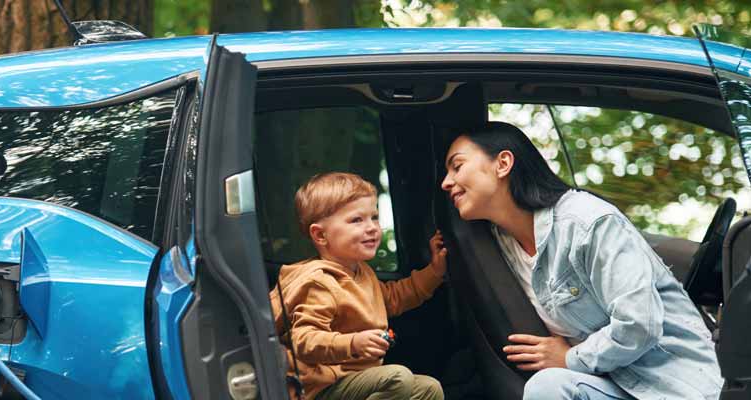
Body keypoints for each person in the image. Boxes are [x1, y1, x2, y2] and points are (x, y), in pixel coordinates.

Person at [439, 122, 722, 400]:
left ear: (503, 164)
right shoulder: (496, 243)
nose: (446, 182)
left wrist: (570, 358)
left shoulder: (588, 222)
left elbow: (640, 324)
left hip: (672, 387)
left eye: (457, 166)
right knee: (548, 386)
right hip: (608, 383)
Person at [270, 172, 447, 400]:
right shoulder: (319, 282)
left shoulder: (362, 272)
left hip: (353, 380)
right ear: (320, 235)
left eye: (374, 217)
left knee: (429, 388)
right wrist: (352, 343)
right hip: (321, 389)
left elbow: (393, 298)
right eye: (357, 220)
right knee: (397, 378)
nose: (372, 227)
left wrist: (435, 272)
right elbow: (304, 340)